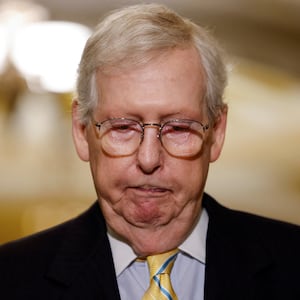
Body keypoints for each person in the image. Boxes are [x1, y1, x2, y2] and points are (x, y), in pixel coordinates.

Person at [0, 3, 300, 300]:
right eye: (123, 128)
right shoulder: (10, 280)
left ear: (217, 133)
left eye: (179, 128)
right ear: (81, 132)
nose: (148, 159)